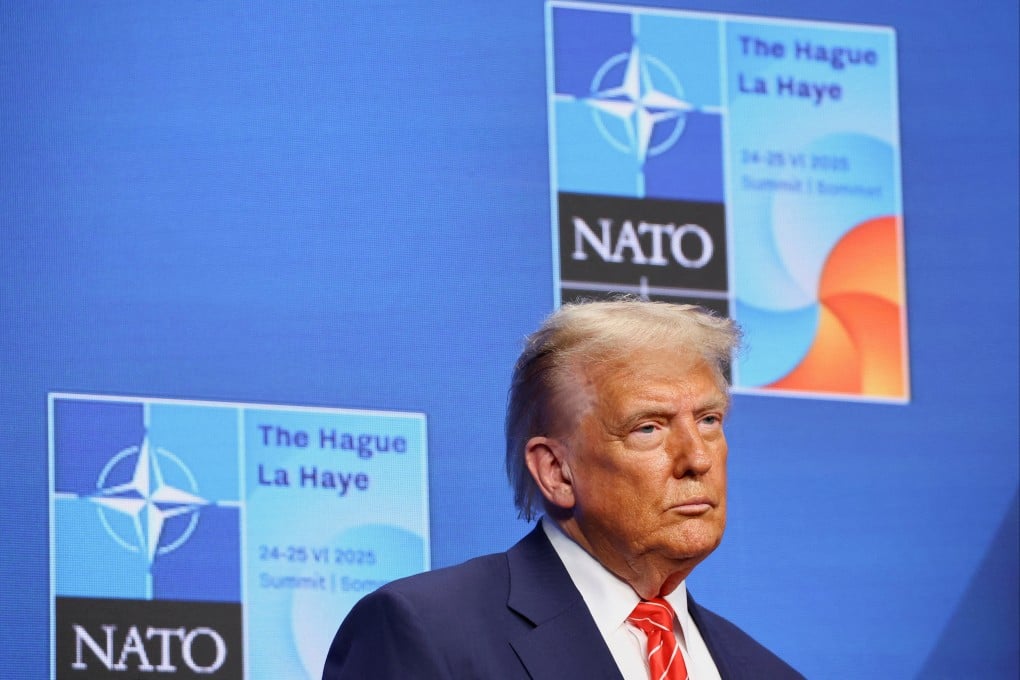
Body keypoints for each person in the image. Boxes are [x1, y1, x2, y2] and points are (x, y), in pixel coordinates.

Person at [322, 299, 804, 679]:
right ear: (556, 470)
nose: (697, 458)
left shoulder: (767, 672)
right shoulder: (427, 634)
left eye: (709, 420)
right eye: (648, 428)